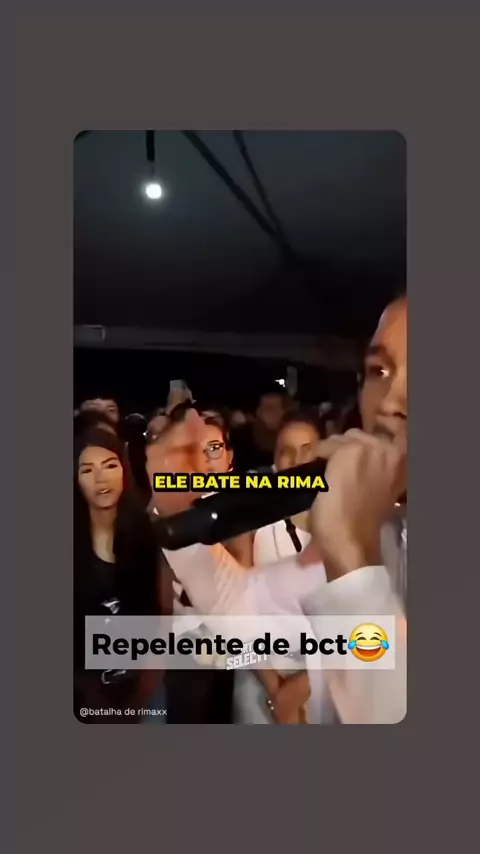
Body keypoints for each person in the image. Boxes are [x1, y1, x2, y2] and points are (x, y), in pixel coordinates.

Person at [146, 293, 407, 725]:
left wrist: (353, 561)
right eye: (379, 370)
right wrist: (175, 509)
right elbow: (241, 612)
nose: (389, 403)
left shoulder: (358, 538)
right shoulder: (381, 529)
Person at [74, 428, 165, 723]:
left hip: (144, 683)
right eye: (87, 470)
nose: (101, 478)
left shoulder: (146, 533)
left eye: (110, 465)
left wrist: (144, 690)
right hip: (85, 693)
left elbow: (162, 614)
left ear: (125, 470)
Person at [231, 387, 291, 472]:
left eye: (280, 407)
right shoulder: (241, 441)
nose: (276, 412)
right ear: (258, 412)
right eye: (269, 408)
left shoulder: (291, 436)